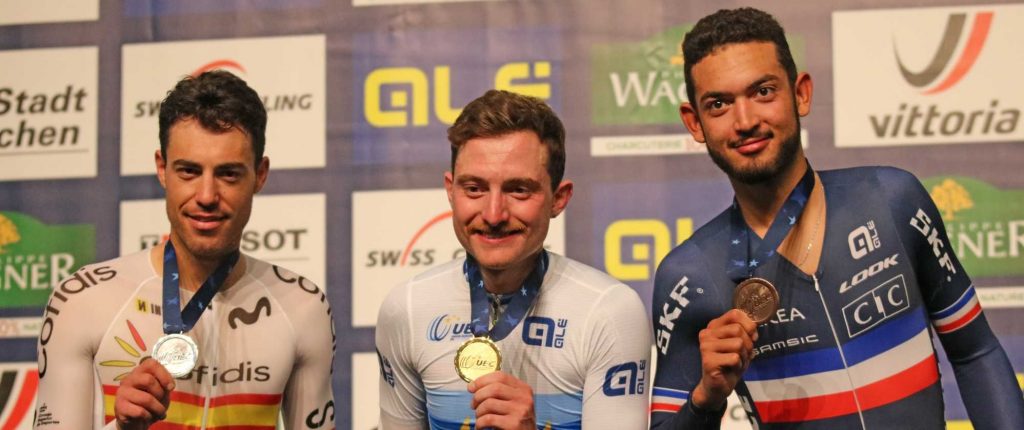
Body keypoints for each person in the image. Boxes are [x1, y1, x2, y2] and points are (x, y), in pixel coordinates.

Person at [649, 7, 1024, 429]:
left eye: (763, 92)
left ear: (801, 93)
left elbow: (976, 352)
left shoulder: (892, 200)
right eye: (719, 104)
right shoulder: (689, 277)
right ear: (694, 122)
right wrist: (706, 398)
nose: (746, 121)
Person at [34, 71, 335, 429]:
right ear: (162, 169)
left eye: (228, 174)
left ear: (260, 174)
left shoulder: (303, 307)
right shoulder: (83, 299)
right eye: (189, 171)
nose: (206, 196)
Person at [375, 89, 652, 429]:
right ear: (451, 190)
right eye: (474, 188)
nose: (494, 214)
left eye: (518, 189)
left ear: (558, 198)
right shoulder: (406, 308)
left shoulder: (608, 312)